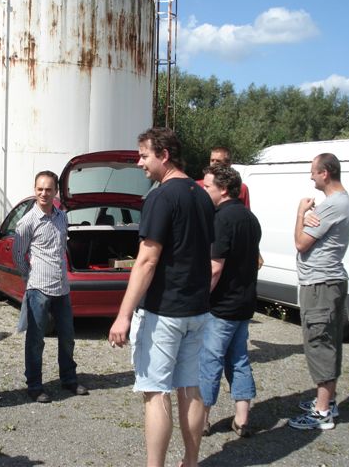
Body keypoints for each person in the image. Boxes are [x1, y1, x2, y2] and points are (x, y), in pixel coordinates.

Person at [109, 128, 215, 467]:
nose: (140, 163)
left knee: (156, 393)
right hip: (197, 310)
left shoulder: (161, 196)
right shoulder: (202, 196)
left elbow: (147, 260)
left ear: (164, 155)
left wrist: (123, 315)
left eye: (144, 156)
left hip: (164, 312)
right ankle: (191, 461)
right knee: (190, 388)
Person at [288, 153, 349, 430]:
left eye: (313, 171)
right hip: (328, 281)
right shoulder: (339, 202)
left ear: (325, 173)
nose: (311, 176)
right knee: (328, 340)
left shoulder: (332, 205)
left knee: (320, 343)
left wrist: (300, 214)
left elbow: (301, 243)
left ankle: (322, 412)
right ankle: (328, 400)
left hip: (321, 284)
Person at [13, 171, 88, 403]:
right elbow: (18, 255)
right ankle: (35, 386)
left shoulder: (62, 217)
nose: (44, 193)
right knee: (36, 341)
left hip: (62, 288)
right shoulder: (27, 222)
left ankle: (69, 379)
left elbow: (61, 248)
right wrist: (30, 277)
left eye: (48, 189)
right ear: (34, 190)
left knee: (67, 337)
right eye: (40, 189)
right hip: (38, 289)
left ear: (56, 191)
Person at [198, 164, 261, 438]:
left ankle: (201, 419)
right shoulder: (250, 218)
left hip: (221, 306)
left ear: (223, 189)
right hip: (244, 304)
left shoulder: (221, 219)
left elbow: (215, 267)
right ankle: (242, 418)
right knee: (239, 359)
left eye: (207, 187)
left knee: (209, 361)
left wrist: (200, 299)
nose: (204, 191)